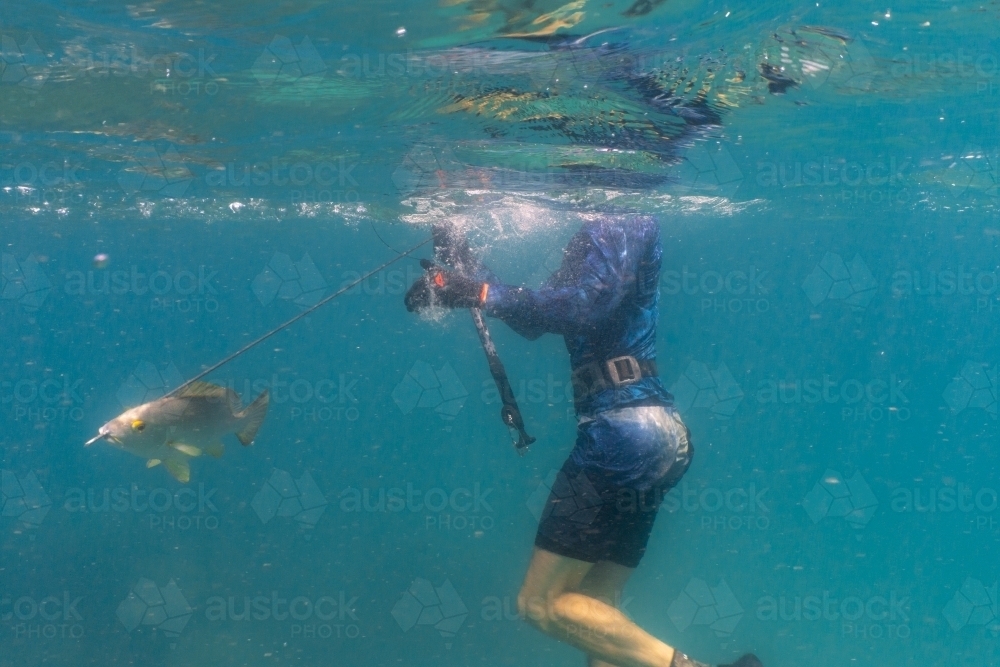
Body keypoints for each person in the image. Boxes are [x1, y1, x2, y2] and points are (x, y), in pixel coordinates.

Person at [404, 217, 761, 667]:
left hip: (621, 436)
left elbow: (579, 309)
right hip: (650, 436)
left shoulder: (620, 219)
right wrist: (463, 262)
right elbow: (538, 316)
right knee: (594, 610)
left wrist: (476, 292)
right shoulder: (593, 240)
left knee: (540, 604)